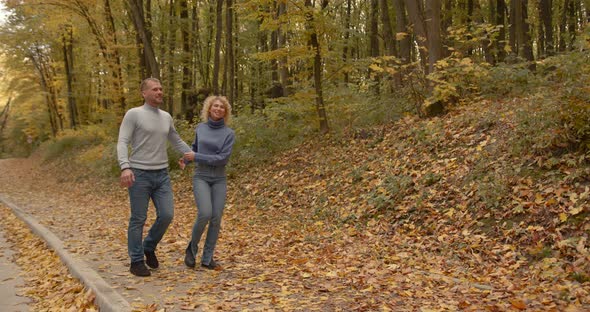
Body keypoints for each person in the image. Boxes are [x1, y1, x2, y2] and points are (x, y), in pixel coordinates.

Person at [117, 78, 192, 277]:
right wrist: (125, 167)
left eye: (161, 88)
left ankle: (148, 246)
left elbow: (176, 140)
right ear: (144, 93)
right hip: (139, 174)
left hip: (162, 175)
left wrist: (193, 155)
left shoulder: (166, 116)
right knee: (138, 219)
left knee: (167, 215)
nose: (159, 92)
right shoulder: (134, 114)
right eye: (155, 89)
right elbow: (123, 141)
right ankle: (136, 260)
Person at [180, 95, 235, 270]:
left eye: (222, 107)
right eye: (215, 106)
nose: (218, 109)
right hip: (201, 176)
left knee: (216, 218)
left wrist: (197, 157)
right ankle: (192, 249)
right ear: (209, 109)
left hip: (219, 178)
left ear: (225, 111)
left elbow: (222, 159)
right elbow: (194, 148)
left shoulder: (229, 134)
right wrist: (186, 160)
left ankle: (207, 258)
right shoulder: (200, 128)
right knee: (205, 213)